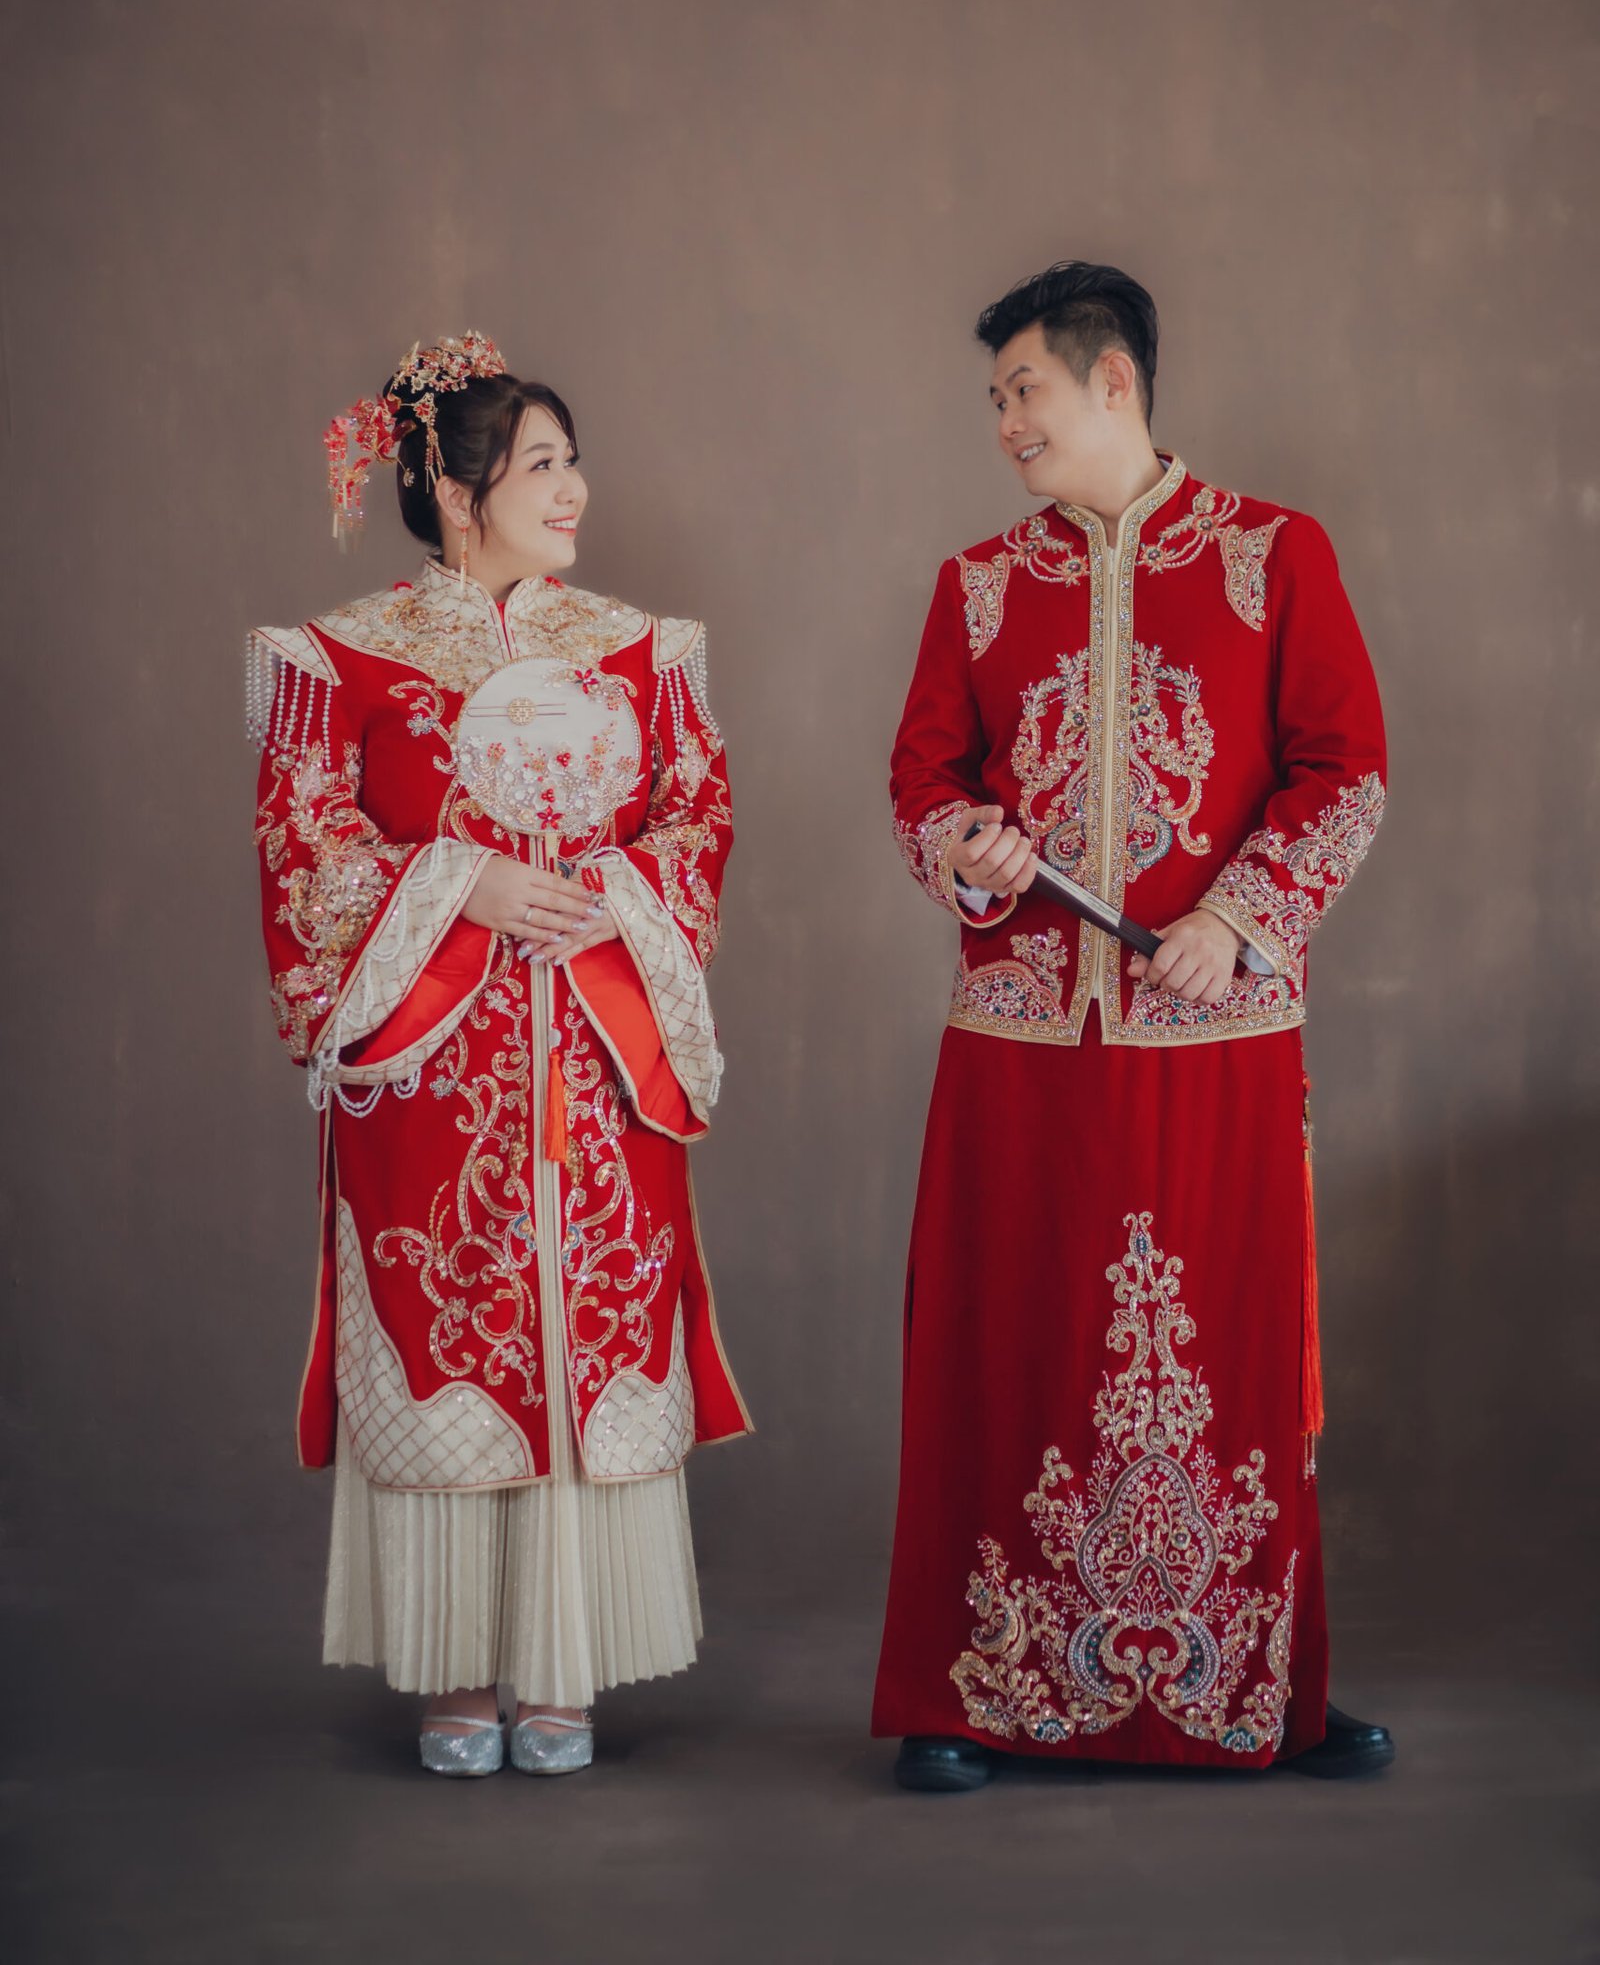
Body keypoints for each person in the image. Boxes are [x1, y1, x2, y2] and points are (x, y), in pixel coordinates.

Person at [873, 263, 1392, 1791]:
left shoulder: (1274, 555)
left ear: (1114, 381)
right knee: (1004, 1347)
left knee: (1228, 1359)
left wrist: (1241, 915)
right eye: (994, 399)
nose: (1004, 423)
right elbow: (921, 779)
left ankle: (1260, 1692)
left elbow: (1345, 768)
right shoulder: (976, 584)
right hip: (1021, 1042)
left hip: (1216, 1035)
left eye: (1022, 389)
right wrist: (966, 849)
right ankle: (970, 1697)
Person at [249, 332, 748, 1777]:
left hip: (597, 1055)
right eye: (541, 464)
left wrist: (612, 893)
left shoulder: (643, 651)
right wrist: (460, 884)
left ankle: (564, 1664)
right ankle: (458, 1665)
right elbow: (304, 846)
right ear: (459, 494)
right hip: (433, 1064)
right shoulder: (338, 658)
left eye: (571, 459)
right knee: (450, 1324)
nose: (573, 487)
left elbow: (698, 819)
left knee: (588, 1321)